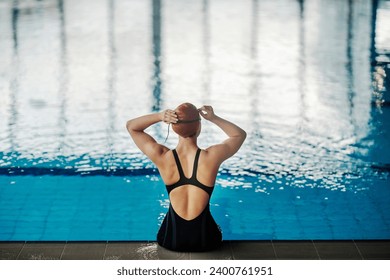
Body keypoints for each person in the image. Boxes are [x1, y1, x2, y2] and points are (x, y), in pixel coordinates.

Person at [126, 103, 246, 251]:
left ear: (174, 128)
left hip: (170, 240)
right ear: (199, 128)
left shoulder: (163, 157)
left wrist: (160, 116)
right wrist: (214, 118)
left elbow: (132, 126)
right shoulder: (212, 156)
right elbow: (239, 135)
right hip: (207, 241)